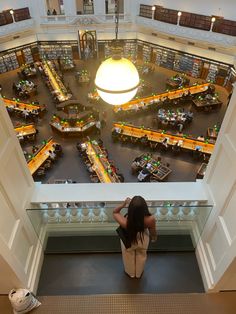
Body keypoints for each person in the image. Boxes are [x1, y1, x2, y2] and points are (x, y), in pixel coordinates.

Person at [113, 196, 157, 278]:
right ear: (145, 207)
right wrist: (154, 238)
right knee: (142, 255)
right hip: (143, 239)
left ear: (130, 208)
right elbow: (153, 231)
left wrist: (124, 204)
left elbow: (115, 212)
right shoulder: (151, 219)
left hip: (129, 240)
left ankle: (131, 273)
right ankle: (138, 273)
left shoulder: (125, 222)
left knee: (128, 256)